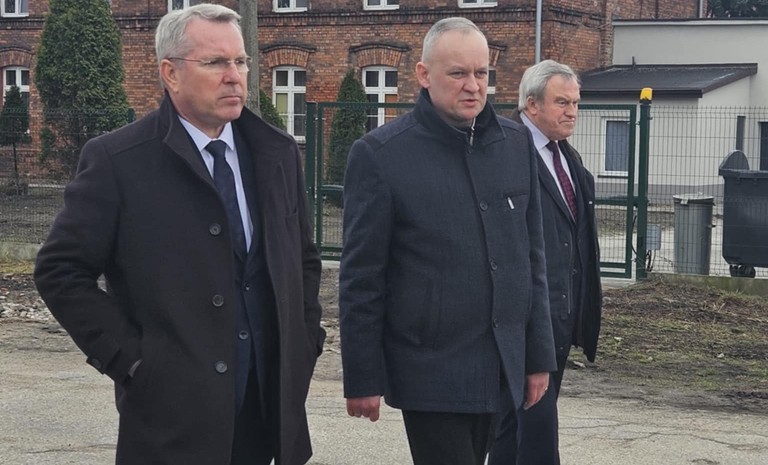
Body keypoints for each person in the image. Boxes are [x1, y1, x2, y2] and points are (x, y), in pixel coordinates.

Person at [33, 4, 325, 465]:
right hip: (172, 419)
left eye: (240, 61)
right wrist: (133, 362)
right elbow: (60, 271)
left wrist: (305, 343)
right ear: (170, 72)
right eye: (215, 62)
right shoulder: (120, 160)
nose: (234, 76)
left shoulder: (277, 153)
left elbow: (303, 260)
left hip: (266, 410)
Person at [339, 17, 557, 465]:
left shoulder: (516, 144)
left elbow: (531, 258)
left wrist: (538, 357)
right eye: (458, 73)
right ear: (424, 74)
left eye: (481, 73)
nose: (473, 86)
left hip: (501, 362)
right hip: (429, 370)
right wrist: (362, 376)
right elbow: (362, 277)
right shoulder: (381, 155)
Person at [488, 59, 602, 465]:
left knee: (512, 428)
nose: (572, 112)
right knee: (537, 433)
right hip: (523, 321)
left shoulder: (568, 159)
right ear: (532, 104)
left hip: (560, 318)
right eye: (562, 102)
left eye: (576, 103)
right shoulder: (505, 153)